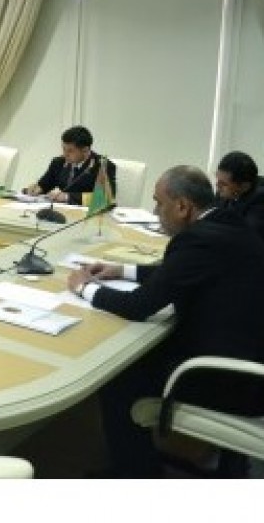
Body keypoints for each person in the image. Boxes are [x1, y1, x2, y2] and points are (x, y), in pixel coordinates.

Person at [67, 165, 264, 477]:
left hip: (230, 380)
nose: (156, 212)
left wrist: (84, 288)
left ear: (183, 206)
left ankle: (135, 473)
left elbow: (138, 306)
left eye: (159, 203)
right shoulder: (228, 223)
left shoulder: (197, 240)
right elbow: (182, 271)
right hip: (250, 357)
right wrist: (123, 270)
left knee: (118, 375)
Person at [24, 125, 117, 205]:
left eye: (70, 151)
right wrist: (37, 188)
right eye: (63, 149)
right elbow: (44, 184)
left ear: (85, 150)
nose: (65, 154)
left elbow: (105, 198)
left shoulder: (103, 165)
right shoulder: (58, 162)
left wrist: (67, 197)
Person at [214, 150, 264, 242]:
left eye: (224, 183)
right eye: (217, 179)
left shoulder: (260, 199)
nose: (217, 185)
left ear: (244, 186)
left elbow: (246, 235)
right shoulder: (222, 192)